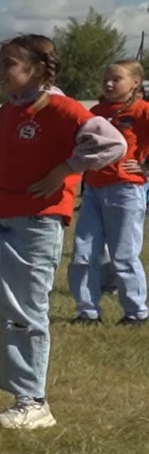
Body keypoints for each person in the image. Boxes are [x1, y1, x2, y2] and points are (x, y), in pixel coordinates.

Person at [0, 34, 125, 430]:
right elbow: (2, 156)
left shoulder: (64, 109)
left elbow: (112, 143)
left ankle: (33, 403)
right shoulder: (8, 111)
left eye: (8, 64)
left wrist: (65, 171)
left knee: (24, 313)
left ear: (36, 69)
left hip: (37, 221)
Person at [67, 61, 148, 326]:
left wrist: (146, 167)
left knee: (123, 254)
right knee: (84, 250)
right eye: (105, 80)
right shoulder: (97, 112)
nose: (109, 84)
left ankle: (136, 312)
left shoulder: (143, 111)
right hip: (93, 190)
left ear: (136, 82)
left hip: (126, 190)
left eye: (117, 79)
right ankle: (88, 311)